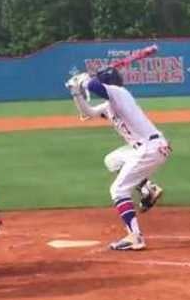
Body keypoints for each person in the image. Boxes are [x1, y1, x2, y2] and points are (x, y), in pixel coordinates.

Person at [66, 67, 170, 251]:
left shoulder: (119, 92)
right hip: (146, 148)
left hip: (148, 148)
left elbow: (94, 86)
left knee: (118, 190)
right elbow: (88, 113)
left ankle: (135, 236)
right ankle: (147, 188)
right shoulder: (110, 104)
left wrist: (84, 79)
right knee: (112, 160)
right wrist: (76, 93)